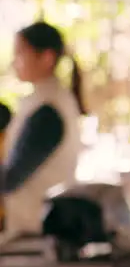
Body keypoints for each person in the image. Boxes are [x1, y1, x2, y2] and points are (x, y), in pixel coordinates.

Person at [1, 21, 85, 239]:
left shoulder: (48, 110)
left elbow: (11, 176)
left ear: (46, 58)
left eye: (20, 54)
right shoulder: (43, 101)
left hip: (35, 230)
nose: (14, 62)